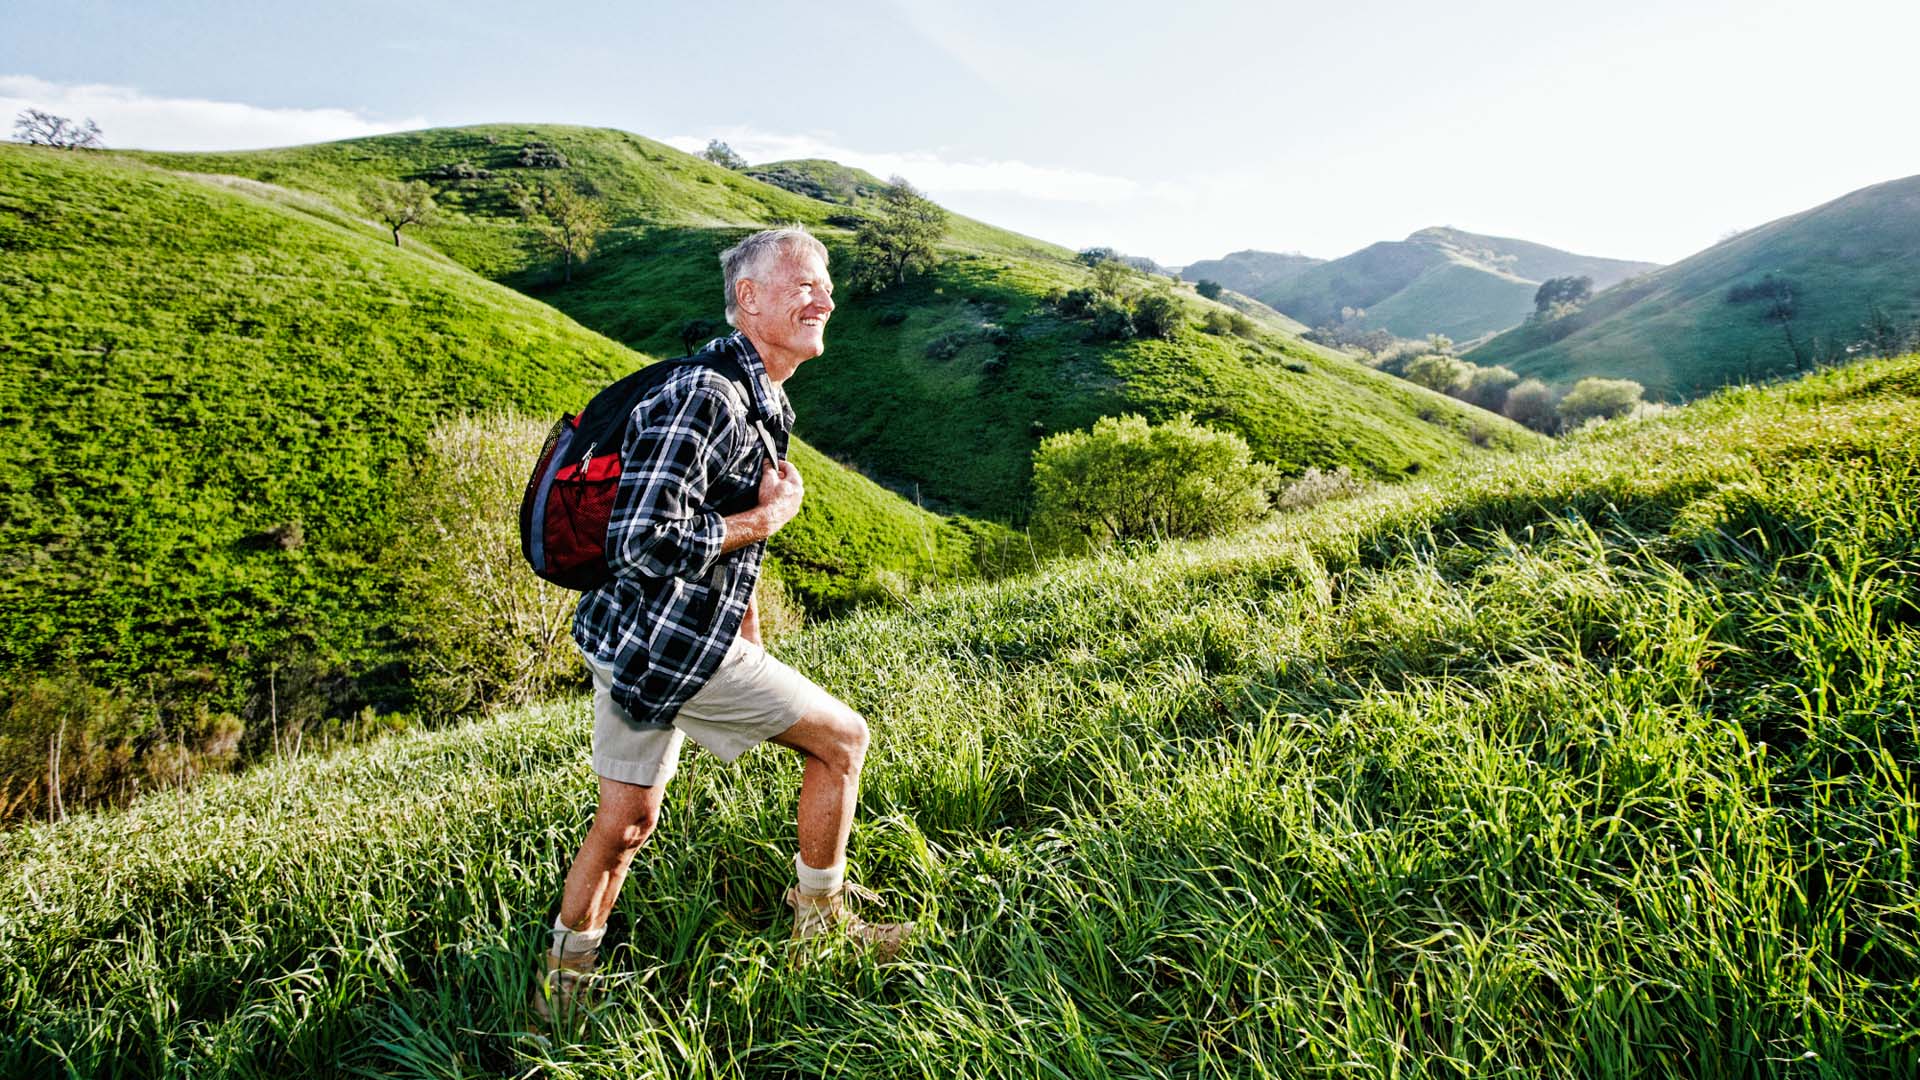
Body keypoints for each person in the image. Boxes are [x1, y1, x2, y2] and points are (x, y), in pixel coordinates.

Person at [538, 227, 910, 1016]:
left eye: (827, 284)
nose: (826, 298)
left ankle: (558, 995)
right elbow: (643, 539)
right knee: (844, 742)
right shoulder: (708, 396)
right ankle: (822, 928)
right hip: (671, 646)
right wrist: (766, 520)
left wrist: (750, 631)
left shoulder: (759, 395)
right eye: (804, 283)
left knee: (626, 823)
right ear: (748, 298)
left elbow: (706, 529)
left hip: (627, 641)